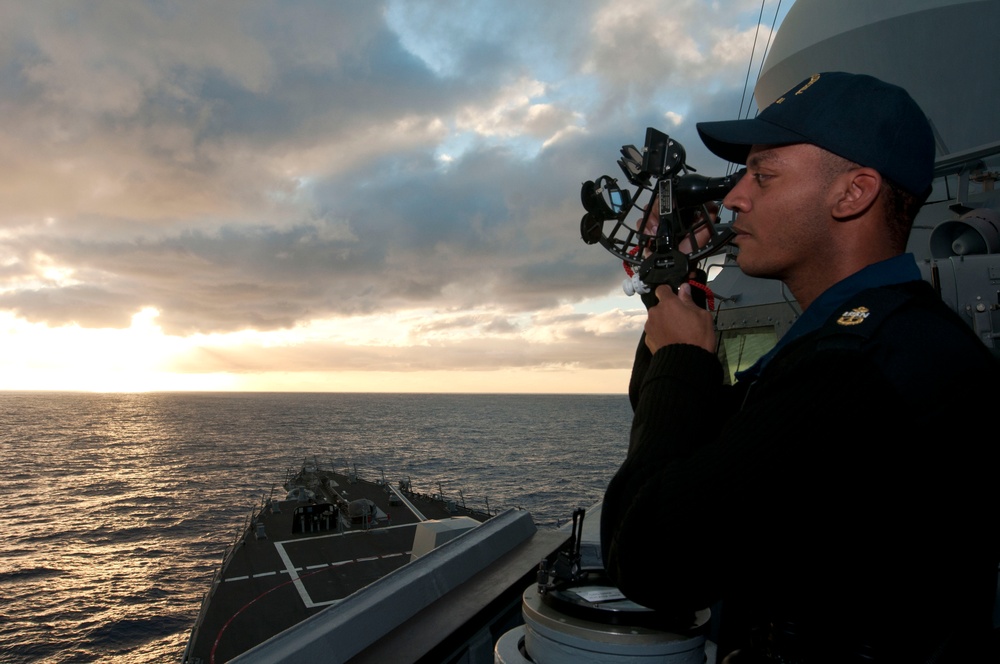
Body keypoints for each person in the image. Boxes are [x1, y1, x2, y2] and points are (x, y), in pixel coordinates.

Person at [600, 71, 1000, 663]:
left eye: (763, 174)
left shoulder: (856, 370)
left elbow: (651, 558)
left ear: (852, 193)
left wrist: (683, 358)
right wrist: (673, 285)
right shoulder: (886, 335)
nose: (734, 197)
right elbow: (695, 437)